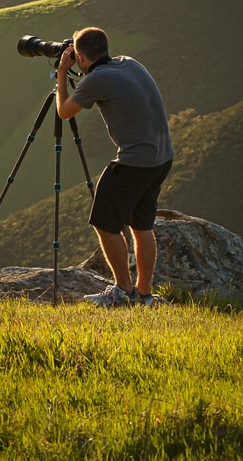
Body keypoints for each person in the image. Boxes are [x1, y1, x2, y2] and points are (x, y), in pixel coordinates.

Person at [55, 26, 173, 307]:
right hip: (162, 156)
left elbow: (64, 111)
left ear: (80, 56)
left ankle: (123, 290)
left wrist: (61, 74)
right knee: (142, 225)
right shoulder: (129, 62)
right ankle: (144, 295)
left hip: (134, 161)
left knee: (104, 224)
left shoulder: (97, 79)